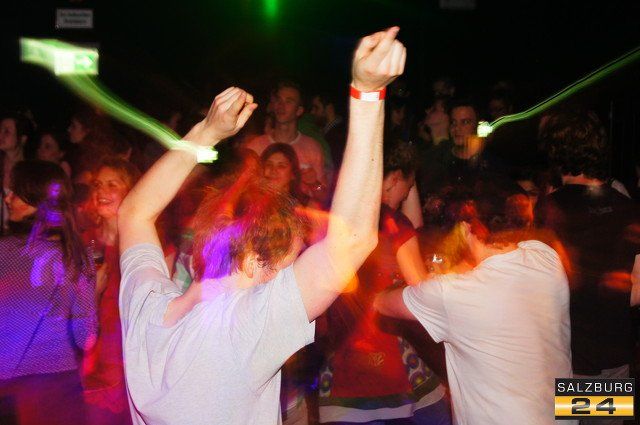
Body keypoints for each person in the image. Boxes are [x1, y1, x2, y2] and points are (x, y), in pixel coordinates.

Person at [117, 28, 406, 424]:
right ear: (253, 263)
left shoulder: (146, 306)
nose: (290, 278)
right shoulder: (241, 330)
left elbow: (134, 213)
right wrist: (368, 92)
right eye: (286, 267)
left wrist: (207, 132)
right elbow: (353, 239)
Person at [374, 220, 574, 425]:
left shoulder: (449, 294)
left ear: (466, 228)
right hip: (565, 414)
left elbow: (382, 303)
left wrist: (425, 284)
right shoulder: (546, 258)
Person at [318, 139, 450, 424]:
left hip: (342, 346)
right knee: (438, 412)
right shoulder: (395, 224)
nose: (406, 195)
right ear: (394, 179)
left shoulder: (338, 217)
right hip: (384, 347)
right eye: (407, 187)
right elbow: (421, 290)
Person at [536, 110, 640, 425]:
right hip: (613, 355)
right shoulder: (629, 208)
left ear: (556, 153)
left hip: (566, 356)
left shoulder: (548, 210)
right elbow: (637, 289)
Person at [0, 160, 98, 425]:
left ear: (37, 201)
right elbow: (85, 335)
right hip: (60, 385)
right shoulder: (78, 256)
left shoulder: (5, 251)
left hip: (11, 385)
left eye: (15, 193)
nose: (7, 198)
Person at [82, 157, 140, 425]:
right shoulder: (82, 242)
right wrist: (92, 292)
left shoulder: (145, 245)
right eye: (97, 184)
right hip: (93, 361)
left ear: (131, 191)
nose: (101, 191)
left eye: (112, 185)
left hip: (131, 361)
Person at [244, 80, 329, 197]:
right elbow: (240, 190)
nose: (281, 105)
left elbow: (324, 197)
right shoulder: (256, 146)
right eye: (278, 100)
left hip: (301, 208)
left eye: (288, 101)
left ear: (299, 110)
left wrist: (314, 184)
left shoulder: (312, 147)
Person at [0, 112, 31, 234]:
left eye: (6, 131)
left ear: (22, 139)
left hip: (16, 236)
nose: (0, 135)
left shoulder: (31, 173)